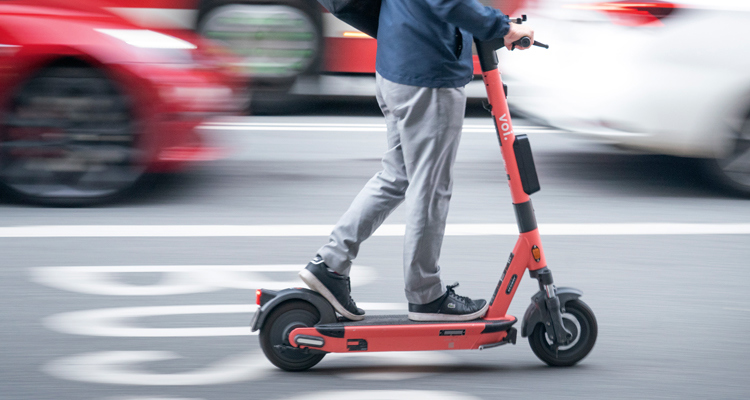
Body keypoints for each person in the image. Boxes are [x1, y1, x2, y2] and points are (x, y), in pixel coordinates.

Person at [300, 0, 534, 322]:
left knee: (397, 175)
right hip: (429, 72)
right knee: (430, 186)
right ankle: (425, 295)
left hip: (399, 62)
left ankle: (330, 263)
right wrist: (503, 28)